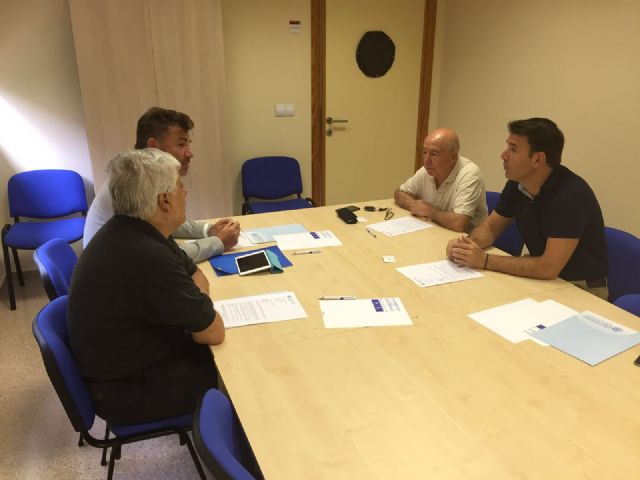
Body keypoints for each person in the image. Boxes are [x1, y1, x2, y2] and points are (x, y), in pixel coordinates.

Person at [68, 148, 225, 425]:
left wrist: (194, 305)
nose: (185, 192)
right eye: (180, 185)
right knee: (240, 370)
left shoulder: (136, 229)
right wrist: (197, 308)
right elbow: (212, 332)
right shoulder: (144, 254)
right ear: (164, 200)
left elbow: (196, 274)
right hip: (131, 393)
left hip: (130, 367)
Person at [447, 118, 608, 299]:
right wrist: (465, 246)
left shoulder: (571, 195)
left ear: (538, 159)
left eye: (513, 149)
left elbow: (548, 267)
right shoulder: (517, 184)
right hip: (543, 279)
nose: (503, 155)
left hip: (581, 289)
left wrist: (484, 260)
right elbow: (490, 228)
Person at [83, 107, 240, 263]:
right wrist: (218, 242)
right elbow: (165, 257)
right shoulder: (132, 184)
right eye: (181, 144)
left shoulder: (141, 176)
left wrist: (209, 230)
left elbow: (164, 221)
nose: (189, 153)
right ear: (153, 146)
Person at [394, 128, 487, 233]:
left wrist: (431, 212)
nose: (426, 161)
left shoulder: (469, 175)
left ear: (453, 157)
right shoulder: (428, 171)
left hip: (467, 239)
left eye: (434, 154)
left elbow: (459, 224)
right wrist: (414, 206)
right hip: (435, 232)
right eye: (424, 152)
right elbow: (399, 193)